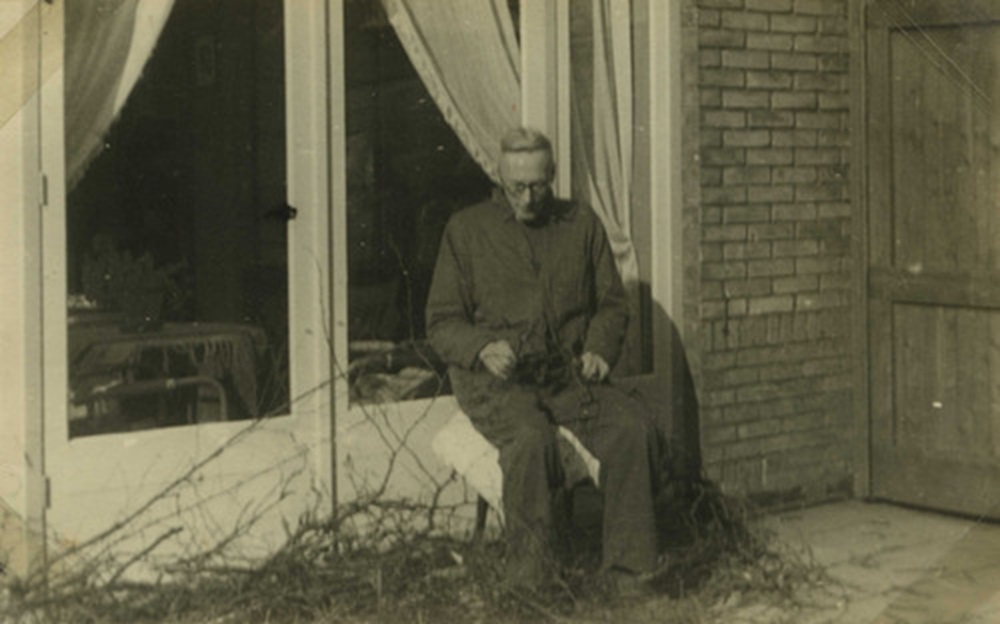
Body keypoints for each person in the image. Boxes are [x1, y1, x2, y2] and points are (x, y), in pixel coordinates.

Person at [425, 127, 660, 590]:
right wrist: (482, 348)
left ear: (552, 177)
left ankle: (629, 577)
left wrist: (598, 348)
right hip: (496, 383)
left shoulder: (581, 225)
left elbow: (612, 305)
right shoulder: (467, 231)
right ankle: (530, 585)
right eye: (516, 187)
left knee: (633, 429)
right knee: (532, 441)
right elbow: (440, 323)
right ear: (500, 177)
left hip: (567, 376)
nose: (528, 198)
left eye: (537, 186)